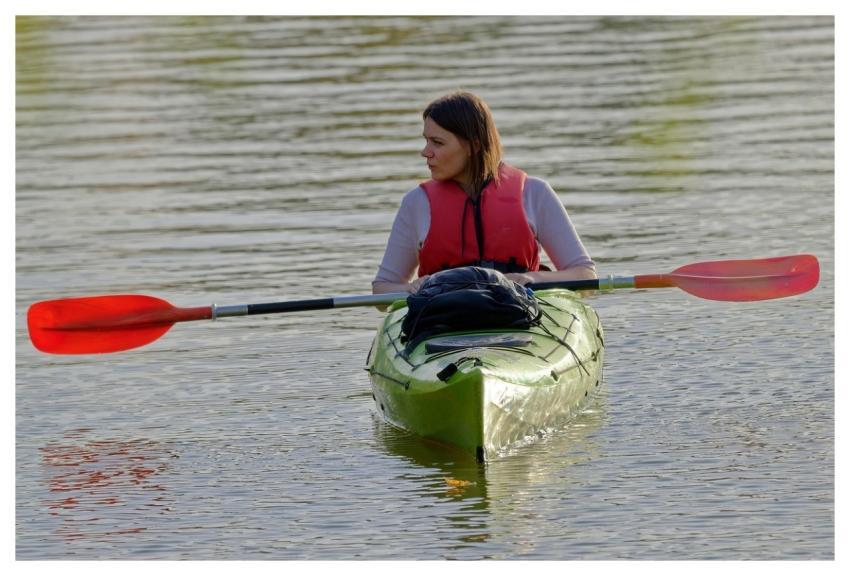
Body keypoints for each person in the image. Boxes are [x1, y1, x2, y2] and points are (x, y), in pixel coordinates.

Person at [372, 91, 596, 295]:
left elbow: (585, 275)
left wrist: (532, 277)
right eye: (426, 141)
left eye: (437, 143)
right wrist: (411, 287)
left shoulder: (534, 193)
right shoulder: (416, 203)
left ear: (473, 146)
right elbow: (382, 290)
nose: (425, 152)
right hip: (439, 317)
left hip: (520, 313)